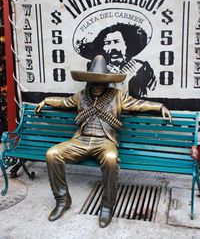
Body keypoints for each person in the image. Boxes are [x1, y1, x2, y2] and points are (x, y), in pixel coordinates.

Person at [35, 55, 172, 228]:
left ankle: (107, 206)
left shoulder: (117, 96)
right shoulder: (81, 96)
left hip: (105, 141)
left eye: (100, 82)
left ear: (107, 82)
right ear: (88, 81)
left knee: (110, 159)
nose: (96, 85)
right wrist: (46, 100)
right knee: (52, 154)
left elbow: (138, 104)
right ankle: (62, 199)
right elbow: (63, 102)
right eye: (93, 82)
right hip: (81, 140)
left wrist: (159, 106)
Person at [75, 23, 156, 98]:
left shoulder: (142, 68)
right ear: (103, 48)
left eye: (117, 42)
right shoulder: (95, 68)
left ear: (126, 44)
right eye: (107, 43)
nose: (113, 47)